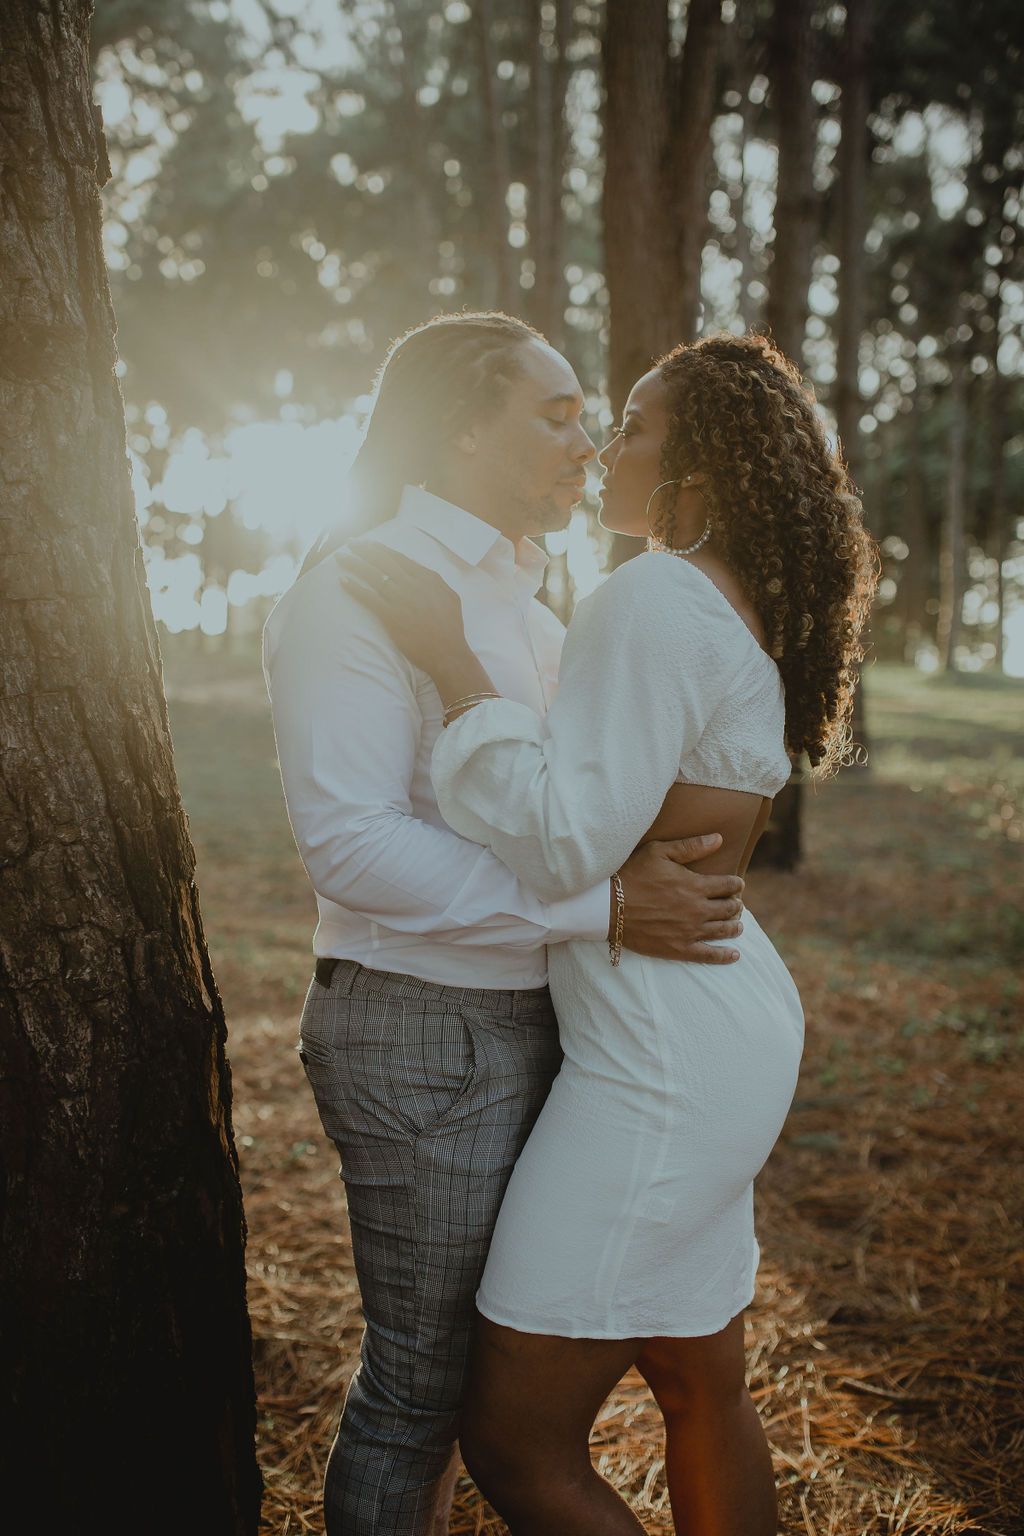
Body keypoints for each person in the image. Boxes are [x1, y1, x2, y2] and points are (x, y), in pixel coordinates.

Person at [338, 330, 878, 1536]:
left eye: (629, 424)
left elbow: (570, 839)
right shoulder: (725, 601)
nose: (602, 447)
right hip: (719, 1009)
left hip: (662, 1049)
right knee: (698, 1382)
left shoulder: (652, 595)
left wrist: (461, 681)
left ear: (701, 458)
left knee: (513, 1437)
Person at [262, 311, 754, 1536]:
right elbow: (351, 844)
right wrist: (604, 908)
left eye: (594, 417)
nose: (587, 443)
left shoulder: (535, 614)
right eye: (557, 414)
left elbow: (559, 816)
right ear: (459, 428)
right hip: (425, 1033)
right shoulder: (358, 586)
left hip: (548, 1024)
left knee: (500, 1385)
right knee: (417, 1396)